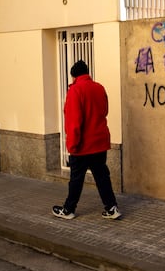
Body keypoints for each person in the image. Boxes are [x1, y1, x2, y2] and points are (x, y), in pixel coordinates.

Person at [52, 60, 121, 220]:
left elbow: (74, 122)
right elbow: (104, 111)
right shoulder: (99, 88)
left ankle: (68, 210)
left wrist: (72, 145)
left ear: (74, 76)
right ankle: (111, 208)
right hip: (99, 143)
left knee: (76, 179)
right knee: (102, 177)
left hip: (82, 145)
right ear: (87, 73)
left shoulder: (75, 91)